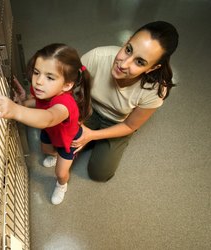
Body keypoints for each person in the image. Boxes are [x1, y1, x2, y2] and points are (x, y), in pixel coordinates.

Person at [0, 43, 91, 204]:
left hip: (68, 140)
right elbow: (37, 103)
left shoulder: (65, 104)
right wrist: (23, 103)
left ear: (67, 85)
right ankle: (54, 155)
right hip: (51, 131)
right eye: (36, 72)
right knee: (46, 150)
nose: (38, 81)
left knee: (60, 173)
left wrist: (15, 110)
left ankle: (62, 185)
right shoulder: (41, 90)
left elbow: (49, 117)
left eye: (50, 77)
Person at [71, 21, 179, 182]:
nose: (124, 64)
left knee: (99, 174)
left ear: (153, 68)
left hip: (117, 122)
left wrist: (92, 135)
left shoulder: (155, 90)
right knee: (56, 144)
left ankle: (98, 142)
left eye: (140, 62)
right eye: (128, 49)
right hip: (89, 107)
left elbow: (130, 125)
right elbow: (66, 85)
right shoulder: (97, 56)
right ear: (127, 41)